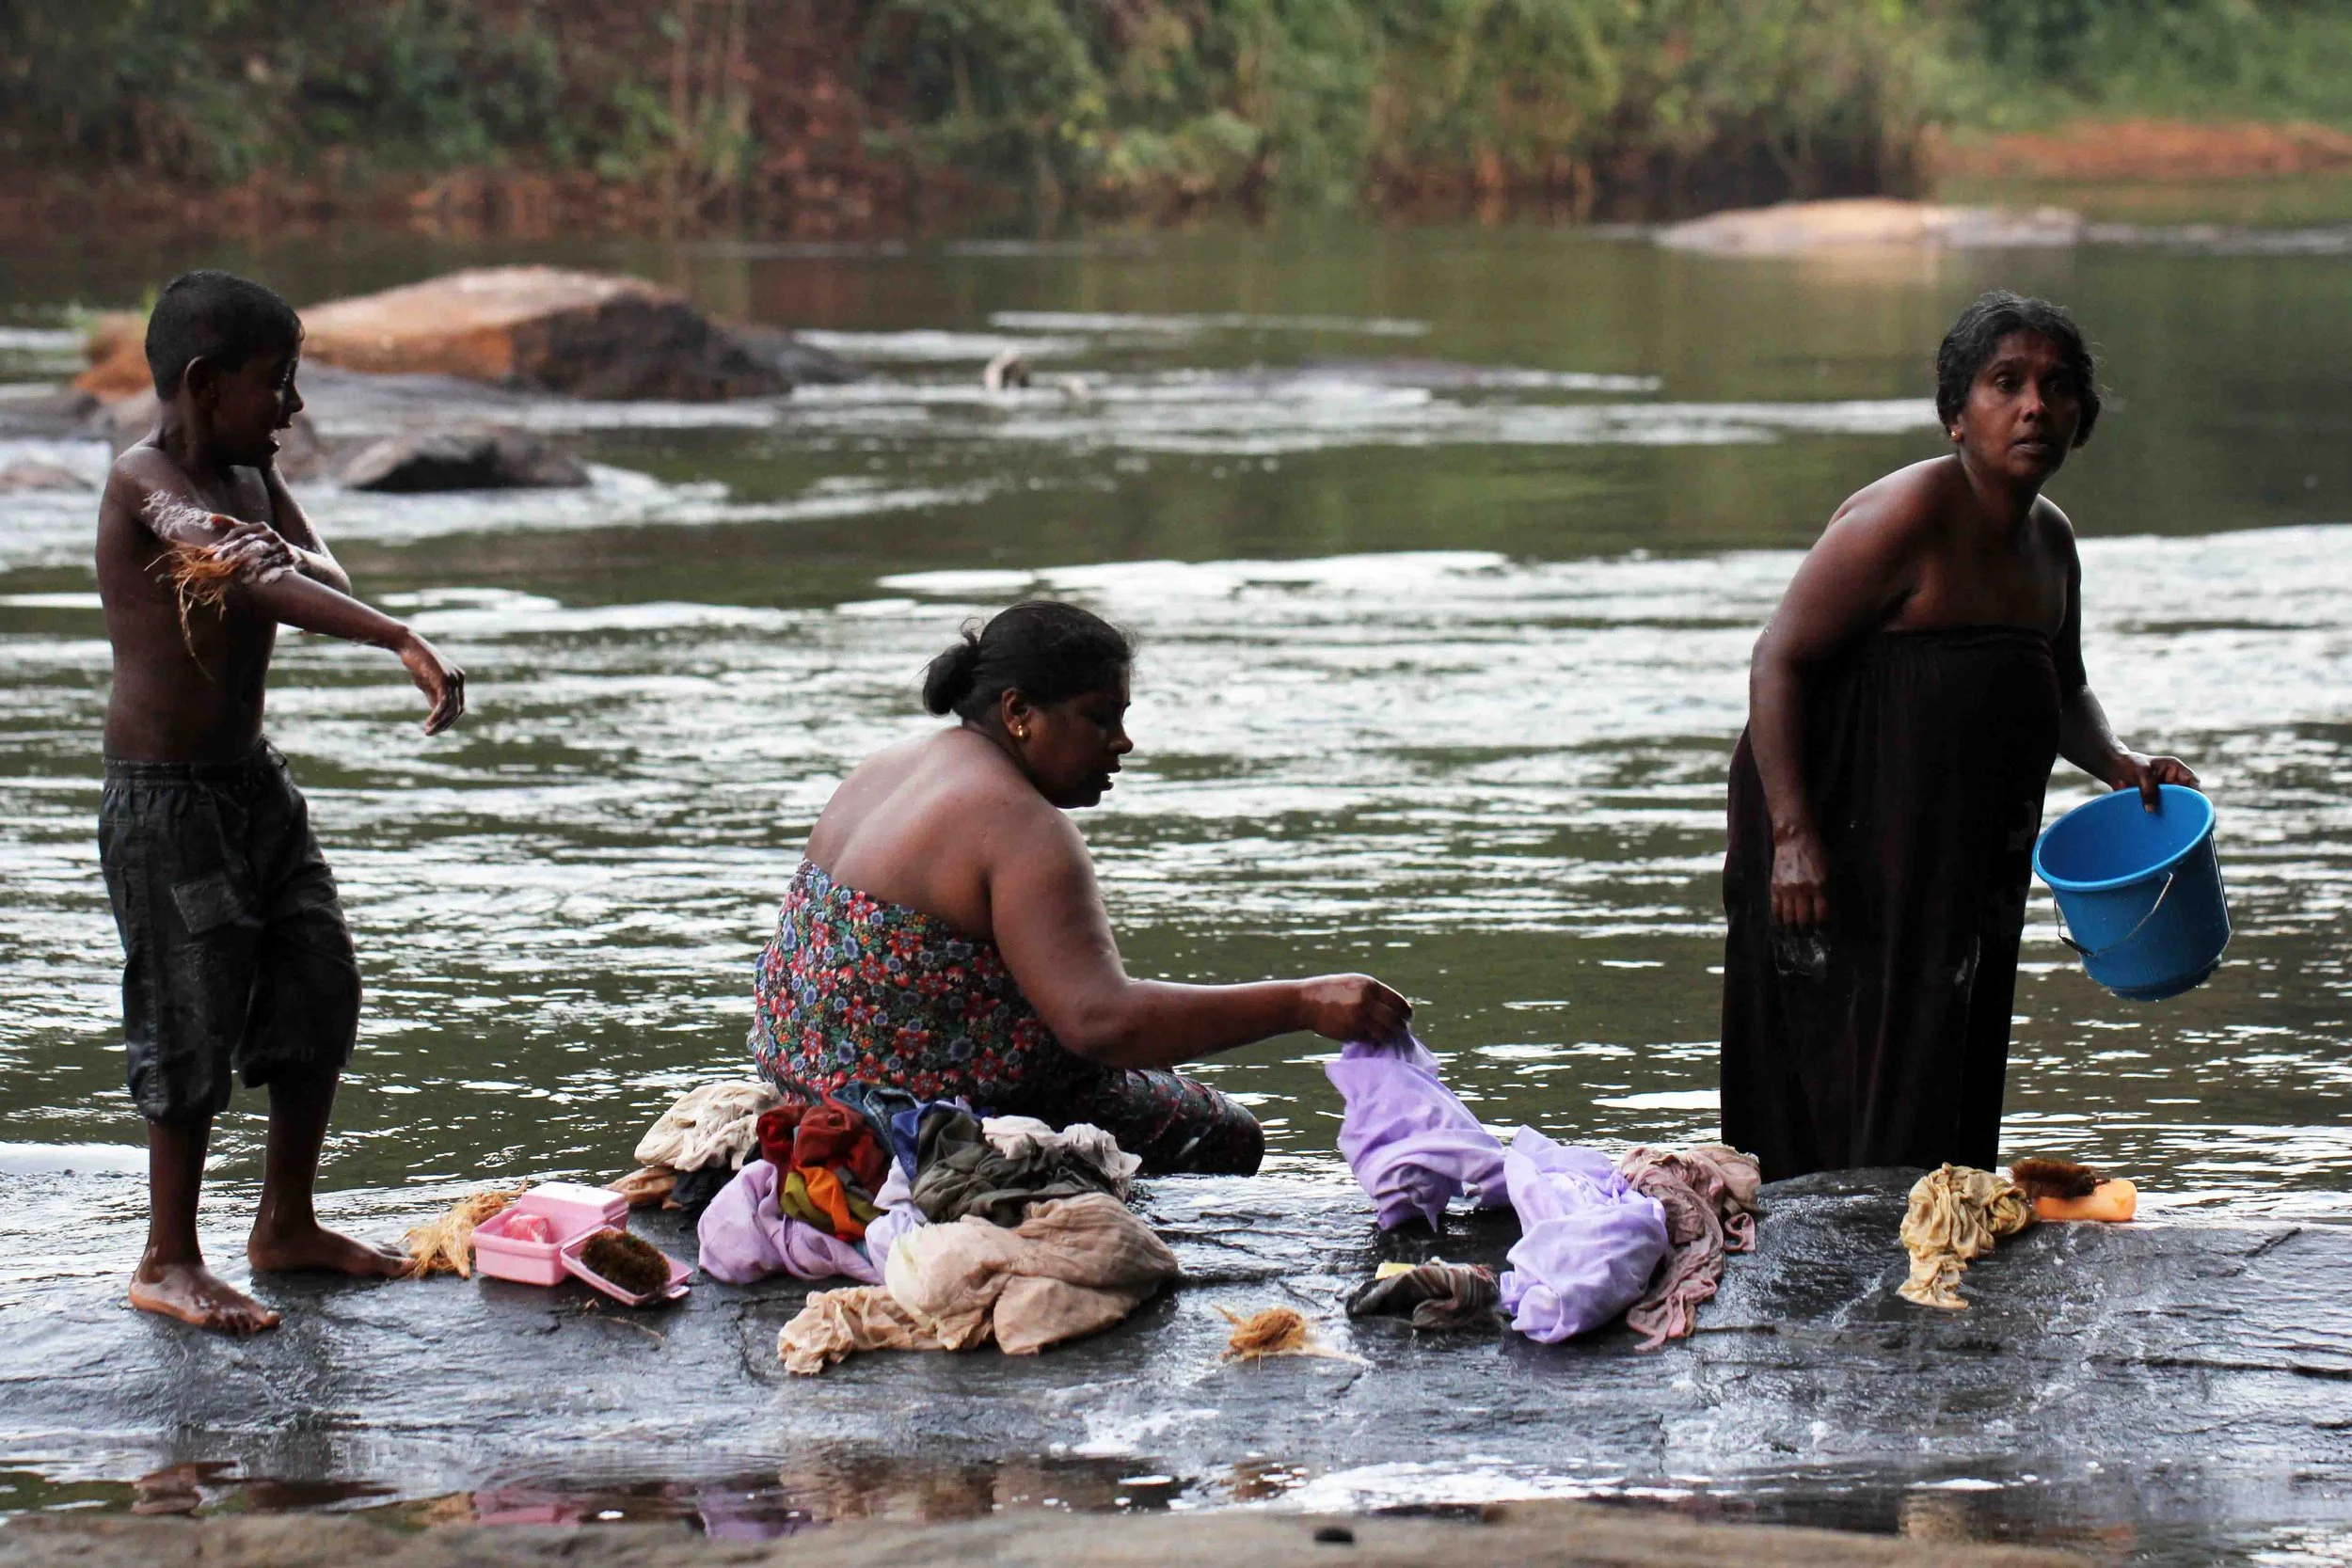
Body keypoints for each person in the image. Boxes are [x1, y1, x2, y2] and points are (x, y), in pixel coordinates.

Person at [1719, 292, 2195, 1182]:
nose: (2035, 407)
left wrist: (2117, 761)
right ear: (1955, 415)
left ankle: (1936, 1215)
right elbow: (1777, 659)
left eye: (2058, 387)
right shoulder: (1904, 518)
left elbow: (2065, 685)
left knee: (1949, 1030)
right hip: (1836, 836)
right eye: (2005, 383)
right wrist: (1792, 838)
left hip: (1958, 845)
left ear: (2082, 417)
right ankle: (1831, 1236)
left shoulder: (2050, 543)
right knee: (1849, 1052)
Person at [97, 270, 468, 1333]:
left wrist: (295, 554)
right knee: (189, 1008)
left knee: (318, 976)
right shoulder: (144, 479)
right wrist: (397, 636)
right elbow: (244, 572)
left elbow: (316, 569)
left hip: (252, 781)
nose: (293, 408)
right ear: (205, 383)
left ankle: (286, 1224)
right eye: (277, 383)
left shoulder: (254, 475)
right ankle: (168, 1257)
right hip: (166, 801)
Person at [749, 600, 1411, 1174]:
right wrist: (1303, 1003)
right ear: (1018, 712)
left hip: (806, 1090)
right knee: (1225, 1131)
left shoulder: (889, 767)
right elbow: (1102, 1022)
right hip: (905, 1121)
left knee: (1158, 1067)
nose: (1122, 742)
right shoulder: (1021, 825)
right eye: (1100, 718)